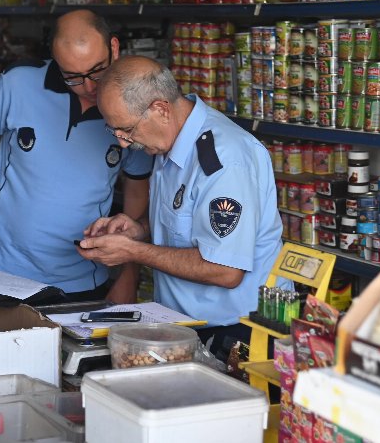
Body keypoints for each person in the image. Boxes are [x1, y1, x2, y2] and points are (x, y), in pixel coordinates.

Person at [77, 55, 287, 356]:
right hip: (185, 325)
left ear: (160, 109)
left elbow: (225, 270)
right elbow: (185, 218)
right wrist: (138, 231)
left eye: (127, 130)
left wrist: (133, 252)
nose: (123, 143)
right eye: (116, 132)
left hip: (237, 334)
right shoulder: (170, 140)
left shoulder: (223, 160)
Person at [0, 10, 152, 302]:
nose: (90, 87)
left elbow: (136, 191)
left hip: (84, 277)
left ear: (114, 48)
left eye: (97, 70)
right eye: (73, 77)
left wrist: (129, 273)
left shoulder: (134, 105)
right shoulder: (16, 84)